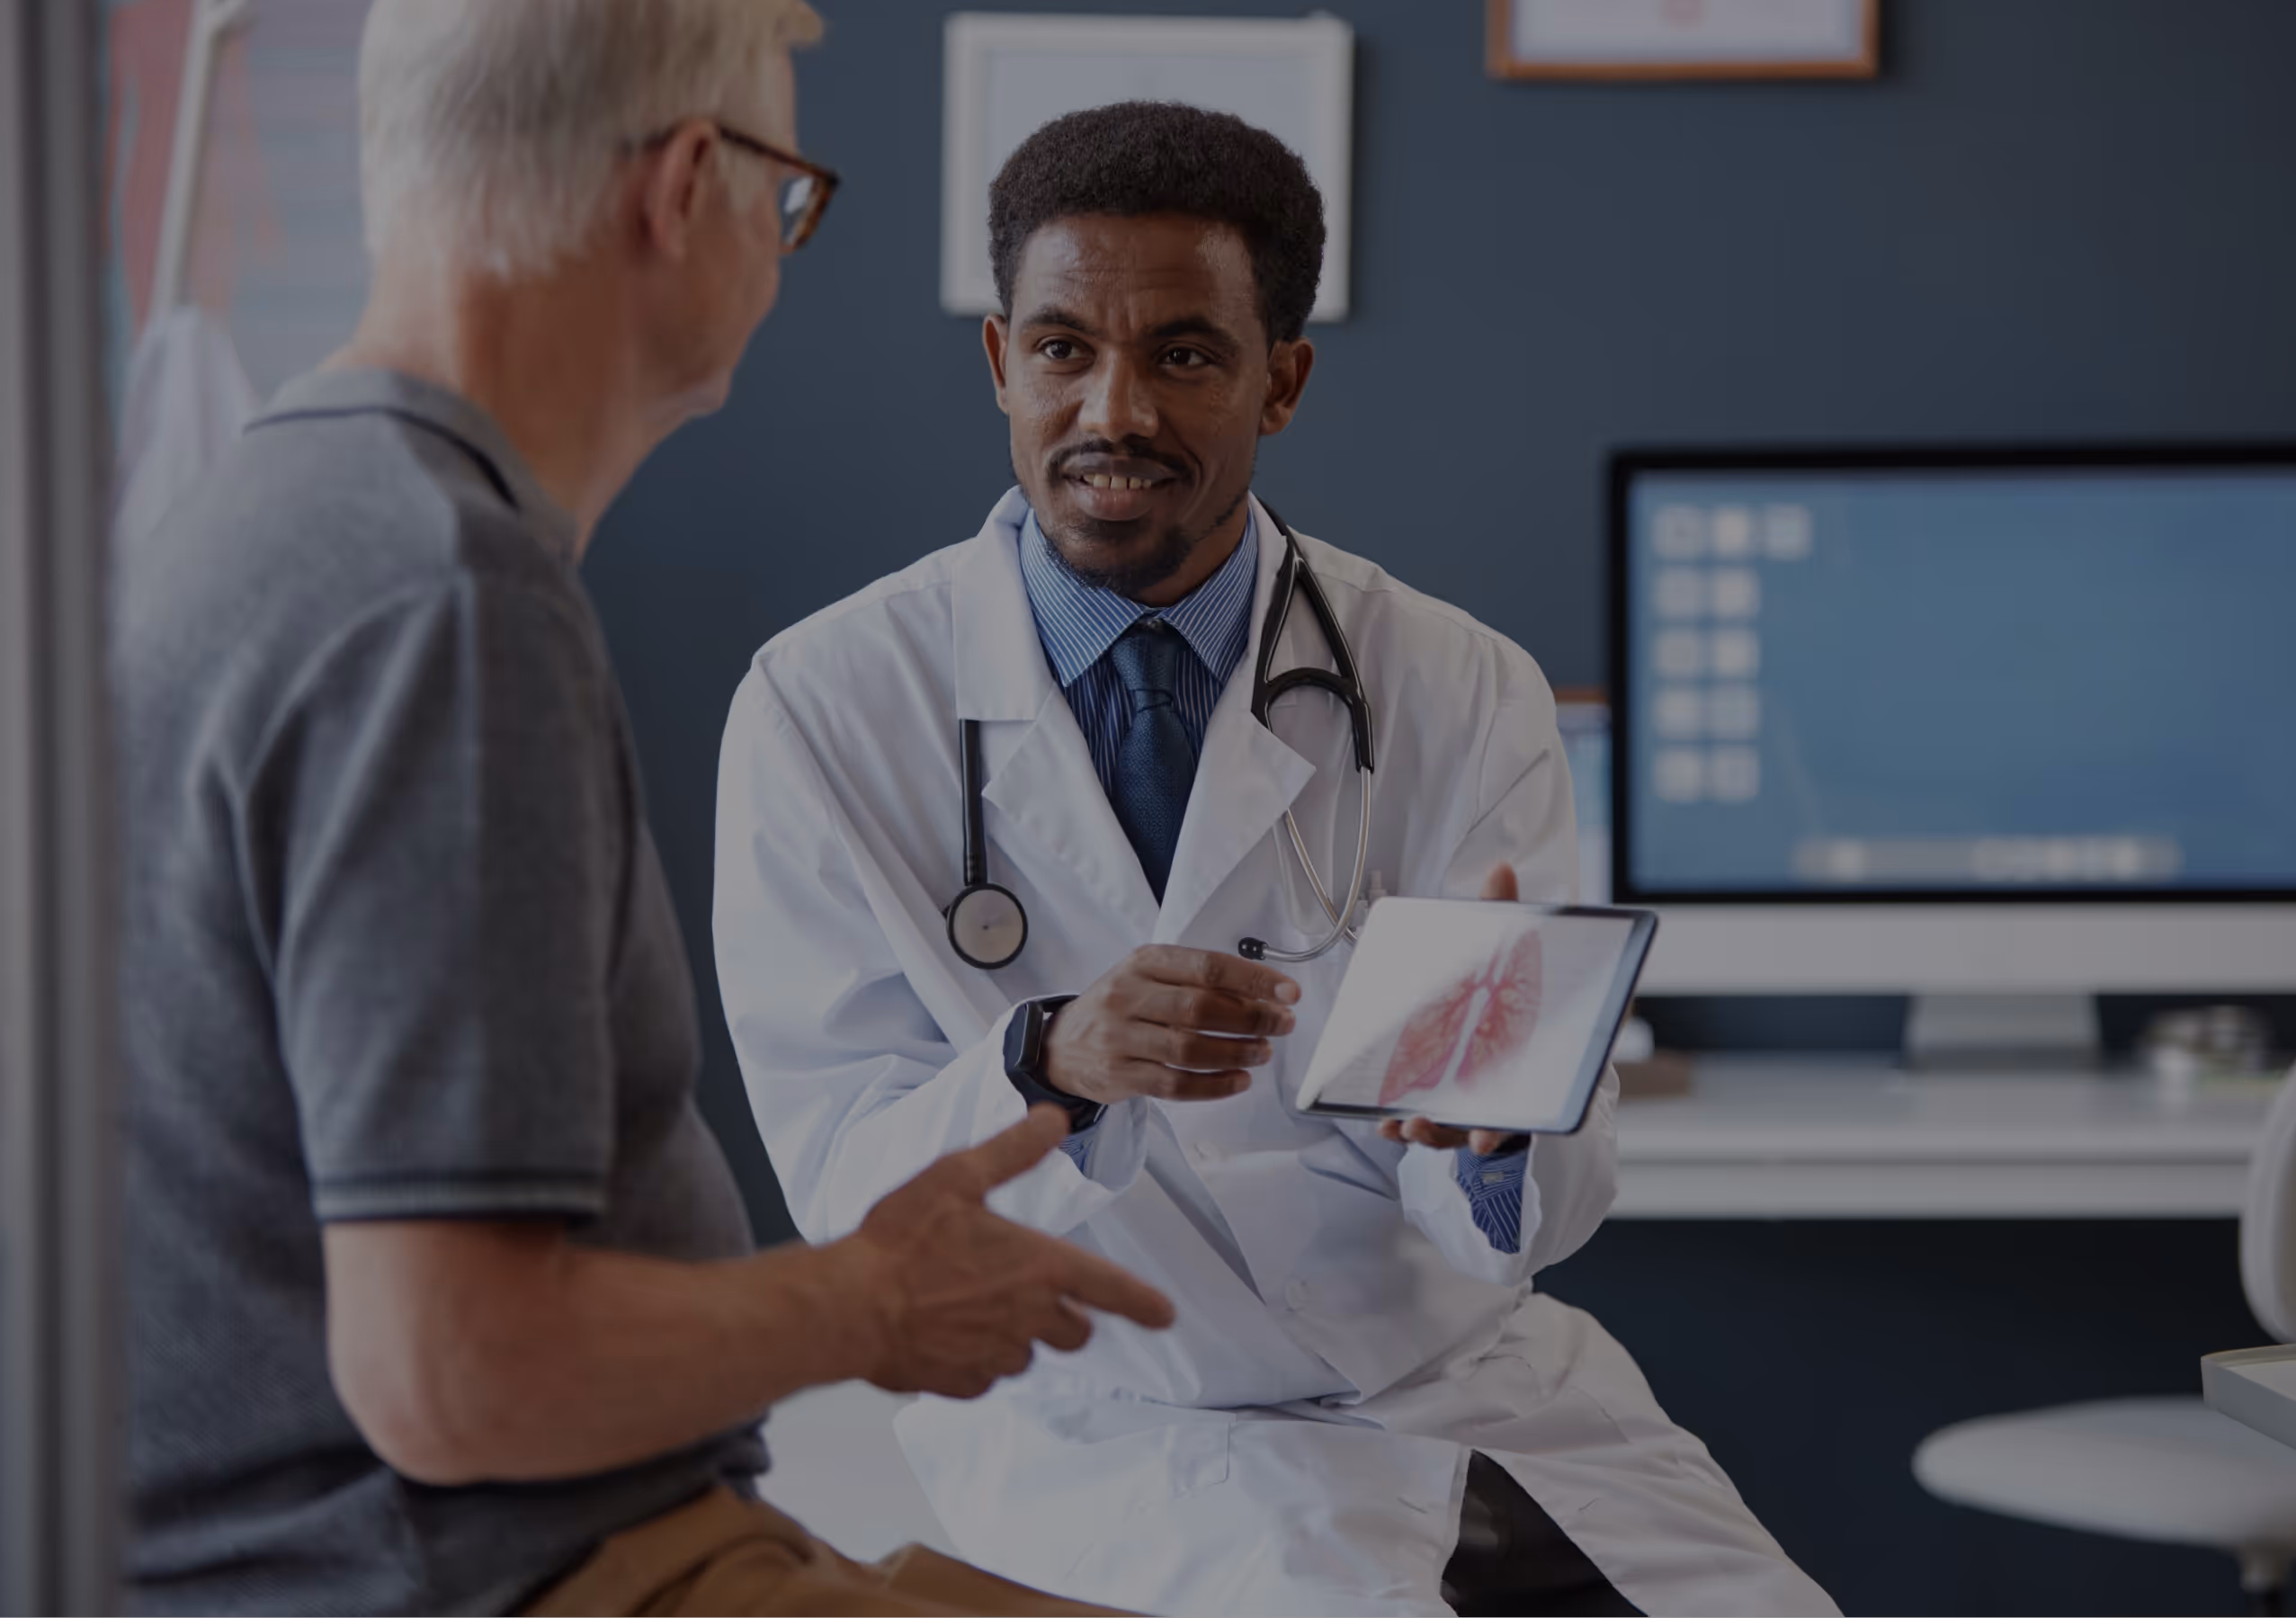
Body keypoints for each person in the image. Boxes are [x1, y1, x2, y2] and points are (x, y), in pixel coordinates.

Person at [112, 0, 1168, 1614]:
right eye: (787, 194)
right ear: (689, 185)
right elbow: (455, 1372)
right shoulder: (439, 598)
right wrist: (873, 1304)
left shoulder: (270, 522)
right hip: (504, 1571)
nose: (781, 244)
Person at [714, 102, 1837, 1617]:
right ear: (999, 363)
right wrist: (1052, 1058)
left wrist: (1497, 1136)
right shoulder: (828, 702)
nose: (1115, 410)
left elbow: (1539, 1203)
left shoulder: (1458, 686)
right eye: (1062, 350)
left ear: (1282, 379)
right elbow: (848, 1193)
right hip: (1115, 1420)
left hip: (1464, 1385)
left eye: (1183, 352)